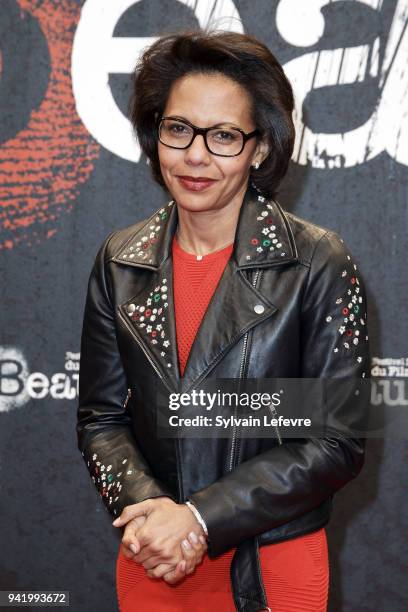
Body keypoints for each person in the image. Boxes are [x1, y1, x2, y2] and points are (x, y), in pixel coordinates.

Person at [76, 29, 371, 612]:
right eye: (179, 128)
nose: (195, 155)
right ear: (155, 132)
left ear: (261, 148)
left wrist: (199, 520)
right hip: (156, 557)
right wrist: (156, 518)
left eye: (225, 136)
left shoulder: (317, 263)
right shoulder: (120, 260)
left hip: (273, 559)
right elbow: (101, 419)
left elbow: (335, 441)